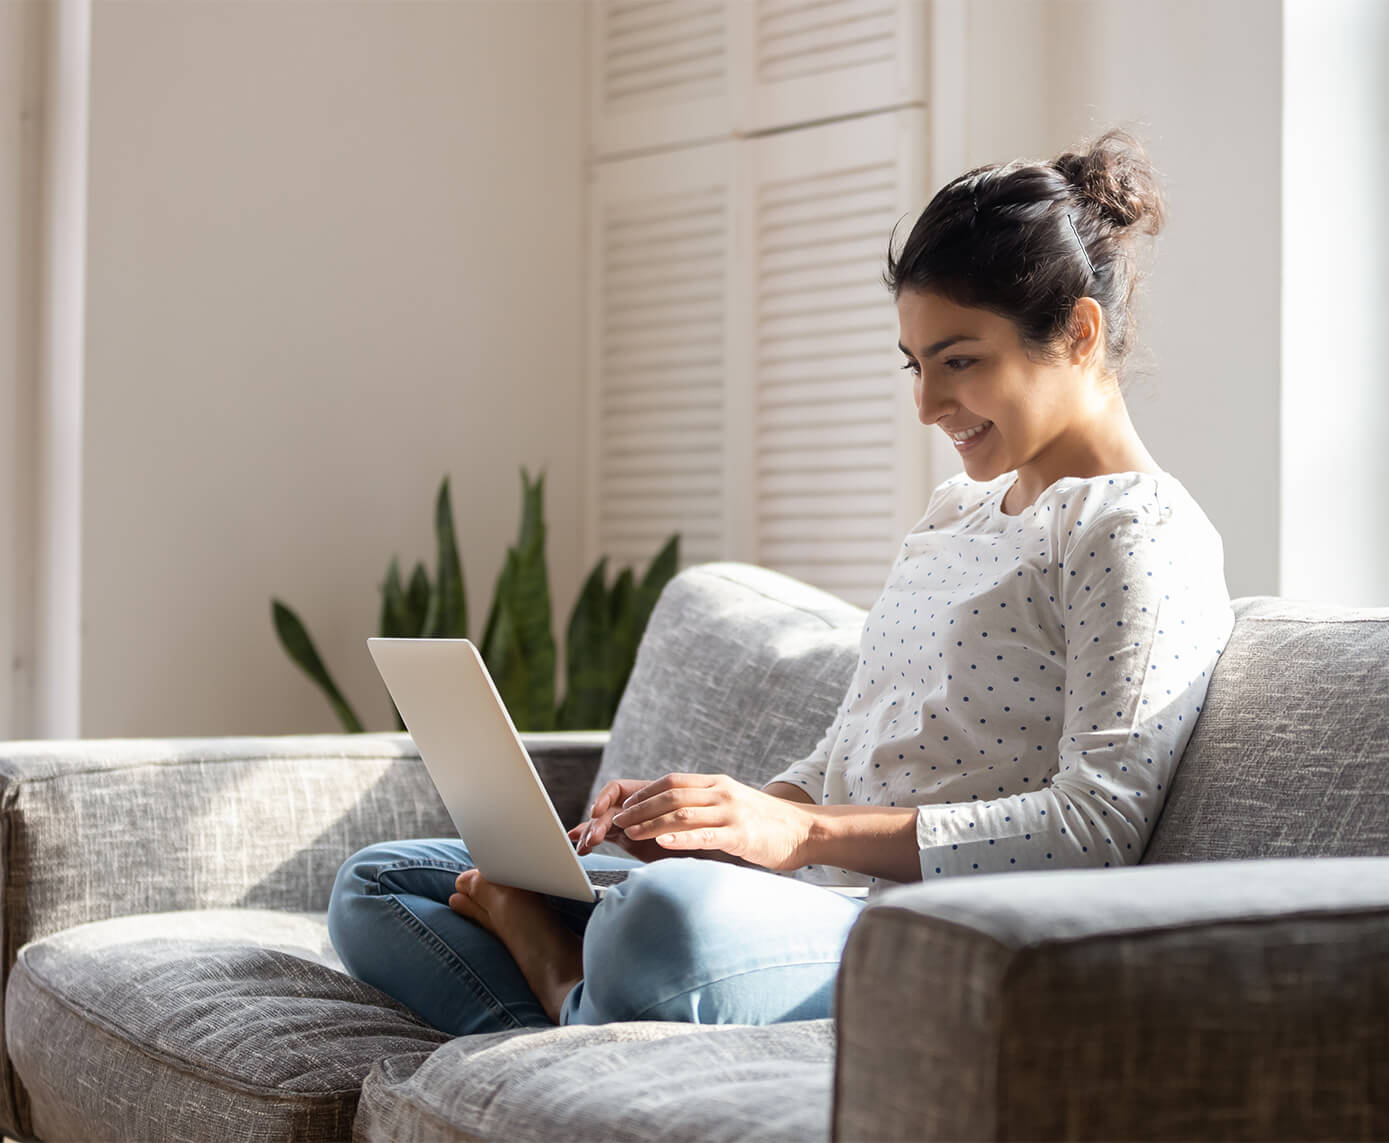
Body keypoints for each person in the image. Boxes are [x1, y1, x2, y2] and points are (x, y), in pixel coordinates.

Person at [327, 125, 1236, 1037]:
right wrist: (722, 819)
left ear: (1078, 333)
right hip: (798, 905)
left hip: (926, 932)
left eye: (960, 359)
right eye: (916, 366)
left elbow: (1093, 830)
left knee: (657, 924)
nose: (926, 405)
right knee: (380, 882)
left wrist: (800, 836)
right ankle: (572, 1028)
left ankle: (562, 980)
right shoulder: (956, 514)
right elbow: (846, 757)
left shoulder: (1137, 533)